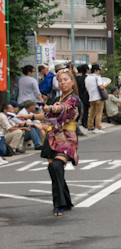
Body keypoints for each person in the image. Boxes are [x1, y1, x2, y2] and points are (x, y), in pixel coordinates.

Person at [31, 69, 79, 216]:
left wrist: (51, 107)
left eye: (65, 79)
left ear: (72, 81)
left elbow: (62, 109)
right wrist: (29, 116)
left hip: (66, 138)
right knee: (53, 170)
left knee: (57, 166)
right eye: (60, 80)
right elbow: (47, 115)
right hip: (52, 137)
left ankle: (58, 203)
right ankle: (66, 201)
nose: (63, 82)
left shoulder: (73, 99)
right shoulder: (59, 99)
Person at [85, 64, 109, 133]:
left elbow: (87, 88)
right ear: (95, 70)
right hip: (98, 97)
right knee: (99, 113)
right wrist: (106, 84)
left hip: (91, 98)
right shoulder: (97, 77)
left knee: (92, 113)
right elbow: (101, 87)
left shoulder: (87, 78)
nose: (99, 72)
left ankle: (90, 127)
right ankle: (97, 127)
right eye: (98, 70)